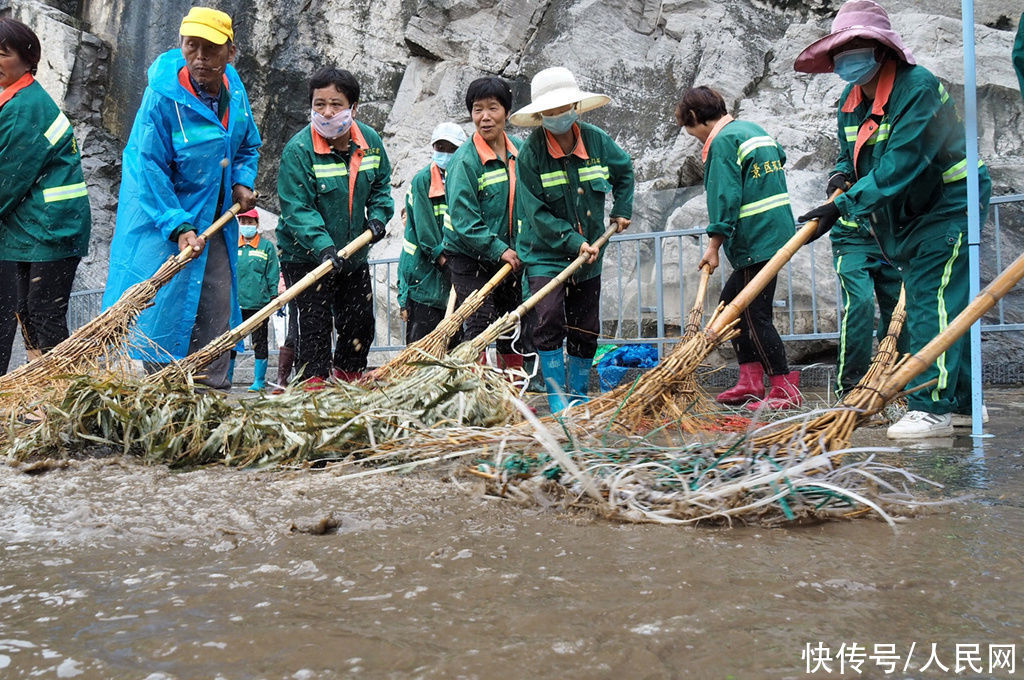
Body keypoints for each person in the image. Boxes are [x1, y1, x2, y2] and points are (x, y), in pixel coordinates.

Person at [795, 0, 991, 438]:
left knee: (931, 298)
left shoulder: (918, 87)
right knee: (941, 301)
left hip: (950, 203)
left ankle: (931, 407)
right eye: (842, 50)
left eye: (859, 46)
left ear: (883, 50)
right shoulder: (850, 98)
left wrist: (840, 208)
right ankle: (963, 406)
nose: (849, 58)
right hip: (904, 214)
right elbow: (848, 154)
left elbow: (902, 162)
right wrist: (838, 181)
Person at [103, 7, 260, 389]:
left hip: (215, 221)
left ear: (230, 53)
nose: (200, 58)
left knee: (215, 305)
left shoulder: (233, 88)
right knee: (165, 310)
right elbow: (147, 166)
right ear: (181, 46)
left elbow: (246, 146)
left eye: (210, 49)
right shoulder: (161, 98)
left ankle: (211, 395)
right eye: (192, 47)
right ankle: (166, 394)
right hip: (161, 221)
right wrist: (177, 224)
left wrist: (241, 180)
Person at [511, 67, 634, 413]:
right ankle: (556, 399)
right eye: (549, 111)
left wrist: (622, 208)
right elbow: (536, 212)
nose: (558, 116)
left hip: (591, 253)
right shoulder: (530, 155)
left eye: (563, 107)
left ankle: (578, 399)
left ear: (575, 107)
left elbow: (624, 172)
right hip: (545, 252)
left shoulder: (597, 141)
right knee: (548, 318)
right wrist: (572, 240)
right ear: (539, 116)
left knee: (585, 324)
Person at [676, 86, 802, 410]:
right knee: (730, 305)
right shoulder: (751, 130)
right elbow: (781, 157)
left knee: (752, 314)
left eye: (688, 128)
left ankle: (783, 386)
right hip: (776, 232)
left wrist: (714, 245)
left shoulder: (721, 143)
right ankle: (749, 380)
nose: (692, 135)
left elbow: (725, 196)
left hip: (755, 239)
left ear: (693, 118)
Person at [277, 67, 392, 385]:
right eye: (319, 104)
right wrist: (324, 247)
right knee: (312, 329)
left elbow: (382, 187)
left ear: (353, 108)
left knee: (359, 324)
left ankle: (348, 385)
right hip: (308, 258)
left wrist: (379, 217)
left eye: (336, 104)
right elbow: (297, 209)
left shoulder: (369, 142)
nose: (327, 112)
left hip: (353, 255)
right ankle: (311, 392)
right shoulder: (299, 151)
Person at [0, 18, 91, 368]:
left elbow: (6, 181)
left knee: (43, 313)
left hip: (53, 228)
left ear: (27, 60)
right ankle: (43, 395)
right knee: (27, 312)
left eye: (2, 54)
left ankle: (65, 395)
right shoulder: (15, 101)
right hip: (32, 230)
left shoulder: (25, 107)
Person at [442, 76, 524, 371]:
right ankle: (472, 387)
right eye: (478, 110)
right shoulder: (464, 160)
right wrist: (499, 249)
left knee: (511, 323)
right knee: (479, 319)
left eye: (493, 108)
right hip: (469, 255)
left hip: (510, 254)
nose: (485, 117)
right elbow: (465, 220)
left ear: (507, 112)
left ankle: (512, 388)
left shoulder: (519, 152)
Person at [398, 121, 467, 343]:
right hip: (423, 275)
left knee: (454, 342)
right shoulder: (423, 181)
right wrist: (447, 261)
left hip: (453, 275)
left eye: (451, 148)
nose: (445, 153)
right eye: (440, 147)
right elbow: (426, 234)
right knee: (422, 344)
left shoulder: (465, 177)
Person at [234, 207, 279, 391]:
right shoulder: (233, 245)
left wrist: (273, 295)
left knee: (259, 341)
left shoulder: (266, 247)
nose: (246, 225)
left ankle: (259, 381)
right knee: (232, 342)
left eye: (250, 222)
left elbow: (272, 273)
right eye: (243, 222)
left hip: (258, 303)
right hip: (236, 303)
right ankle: (227, 377)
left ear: (257, 224)